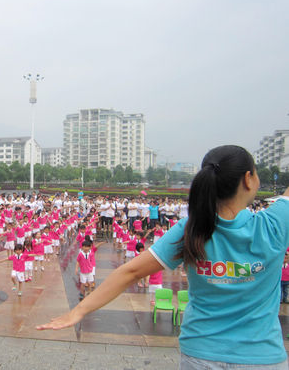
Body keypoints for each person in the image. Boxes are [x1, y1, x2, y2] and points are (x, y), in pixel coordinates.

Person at [37, 145, 289, 369]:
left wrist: (79, 311)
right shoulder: (276, 223)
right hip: (261, 356)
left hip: (200, 354)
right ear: (248, 179)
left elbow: (130, 272)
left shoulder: (191, 229)